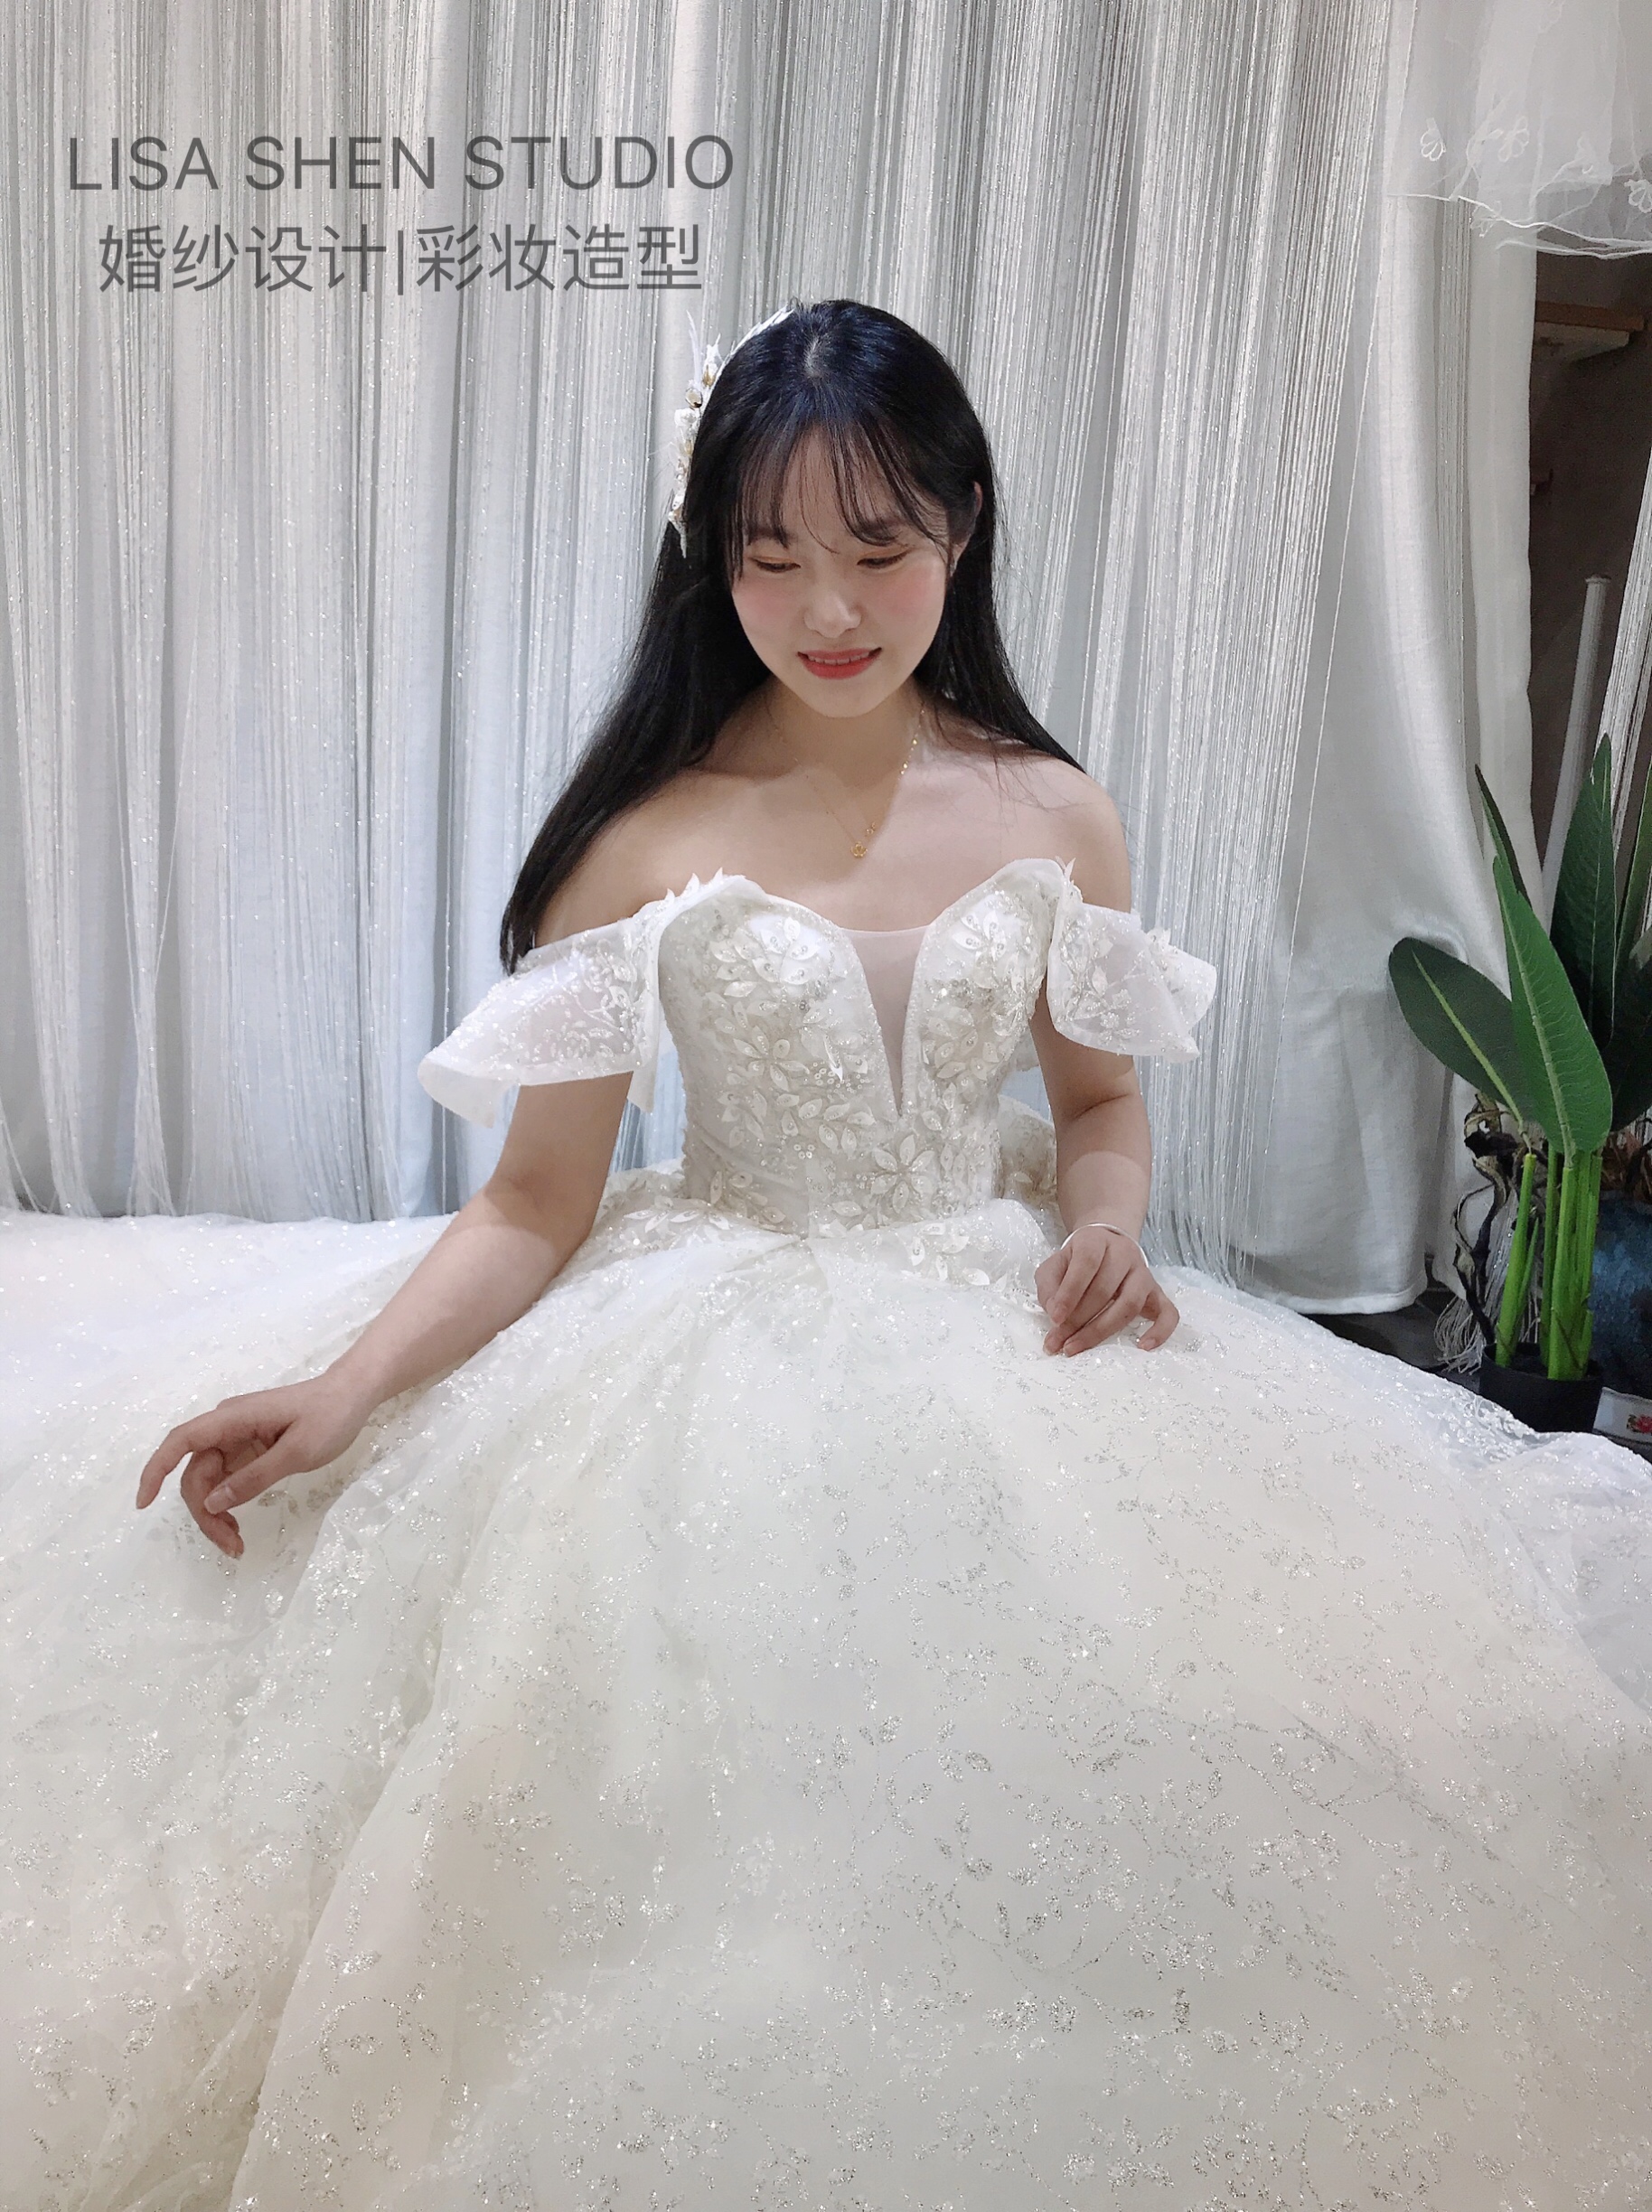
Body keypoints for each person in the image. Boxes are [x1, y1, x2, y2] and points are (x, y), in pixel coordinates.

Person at [4, 297, 1649, 2211]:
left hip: (1006, 1319)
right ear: (710, 557)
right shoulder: (642, 838)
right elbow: (534, 1202)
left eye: (876, 545)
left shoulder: (1053, 811)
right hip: (704, 1329)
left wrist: (1108, 1231)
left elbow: (1098, 1106)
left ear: (963, 522)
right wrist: (349, 1387)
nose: (829, 607)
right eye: (769, 553)